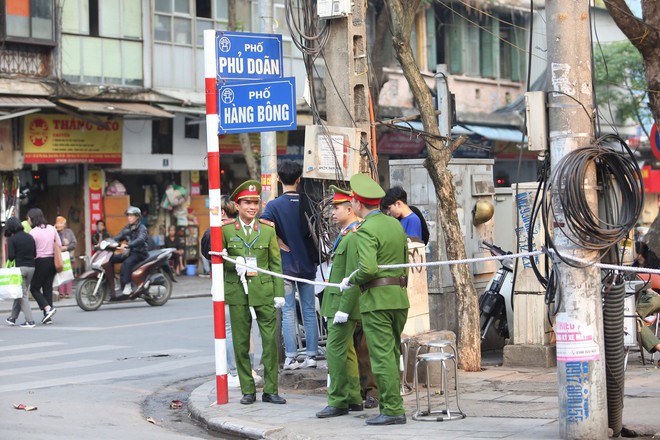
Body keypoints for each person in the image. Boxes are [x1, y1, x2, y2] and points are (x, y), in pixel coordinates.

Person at [340, 174, 410, 426]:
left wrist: (351, 278)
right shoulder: (395, 224)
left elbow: (368, 269)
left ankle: (392, 409)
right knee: (391, 353)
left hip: (377, 301)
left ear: (358, 204)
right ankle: (395, 405)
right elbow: (405, 267)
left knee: (380, 357)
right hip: (399, 299)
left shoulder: (366, 230)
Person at [222, 180, 286, 405]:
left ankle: (271, 390)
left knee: (270, 343)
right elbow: (218, 261)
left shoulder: (268, 230)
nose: (252, 207)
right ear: (237, 205)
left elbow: (276, 264)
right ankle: (247, 390)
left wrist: (280, 293)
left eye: (255, 202)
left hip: (264, 291)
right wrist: (232, 262)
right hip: (238, 292)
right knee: (240, 342)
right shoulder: (226, 230)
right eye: (247, 202)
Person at [261, 160, 319, 370]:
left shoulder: (274, 206)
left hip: (285, 267)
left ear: (278, 179)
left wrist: (278, 242)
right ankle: (312, 356)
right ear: (298, 179)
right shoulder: (309, 202)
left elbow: (263, 226)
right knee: (309, 311)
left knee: (288, 312)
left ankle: (291, 357)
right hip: (308, 267)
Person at [201, 195, 263, 389]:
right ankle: (246, 371)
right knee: (243, 330)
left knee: (231, 330)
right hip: (244, 285)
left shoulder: (217, 231)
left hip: (227, 287)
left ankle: (235, 372)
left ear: (221, 211)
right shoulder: (242, 229)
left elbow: (207, 254)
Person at [316, 186, 364, 418]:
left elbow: (355, 274)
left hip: (342, 304)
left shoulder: (354, 236)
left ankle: (337, 401)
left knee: (334, 351)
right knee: (347, 352)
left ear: (349, 208)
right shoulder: (346, 234)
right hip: (337, 301)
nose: (332, 212)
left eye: (336, 208)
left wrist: (344, 309)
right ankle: (354, 398)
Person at [27, 208, 59, 325]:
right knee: (47, 288)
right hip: (52, 261)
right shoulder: (52, 228)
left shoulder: (33, 232)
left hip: (40, 261)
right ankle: (48, 316)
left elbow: (31, 250)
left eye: (29, 218)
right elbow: (59, 245)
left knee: (34, 288)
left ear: (33, 218)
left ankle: (48, 309)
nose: (28, 220)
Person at [4, 217, 37, 328]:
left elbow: (11, 257)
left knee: (22, 294)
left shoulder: (12, 239)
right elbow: (34, 253)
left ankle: (30, 321)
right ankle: (12, 318)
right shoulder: (30, 237)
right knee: (19, 292)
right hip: (31, 268)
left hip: (20, 269)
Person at [110, 206, 150, 297]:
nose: (129, 218)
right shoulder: (127, 228)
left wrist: (128, 245)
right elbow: (118, 237)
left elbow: (140, 239)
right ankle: (113, 283)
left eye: (131, 216)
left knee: (126, 263)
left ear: (137, 217)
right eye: (128, 216)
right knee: (111, 259)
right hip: (130, 252)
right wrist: (107, 243)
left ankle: (128, 286)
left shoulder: (142, 228)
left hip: (140, 253)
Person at [632, 241, 660, 354]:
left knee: (632, 318)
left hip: (653, 296)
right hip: (640, 298)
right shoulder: (632, 266)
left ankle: (634, 314)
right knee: (634, 321)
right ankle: (634, 315)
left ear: (639, 253)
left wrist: (650, 290)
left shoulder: (654, 263)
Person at [55, 216, 77, 298]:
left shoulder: (69, 232)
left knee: (68, 273)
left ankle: (68, 293)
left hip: (68, 256)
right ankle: (61, 293)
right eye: (58, 223)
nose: (59, 225)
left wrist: (66, 247)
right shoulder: (55, 232)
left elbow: (74, 243)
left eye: (61, 223)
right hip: (58, 257)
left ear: (64, 224)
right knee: (60, 273)